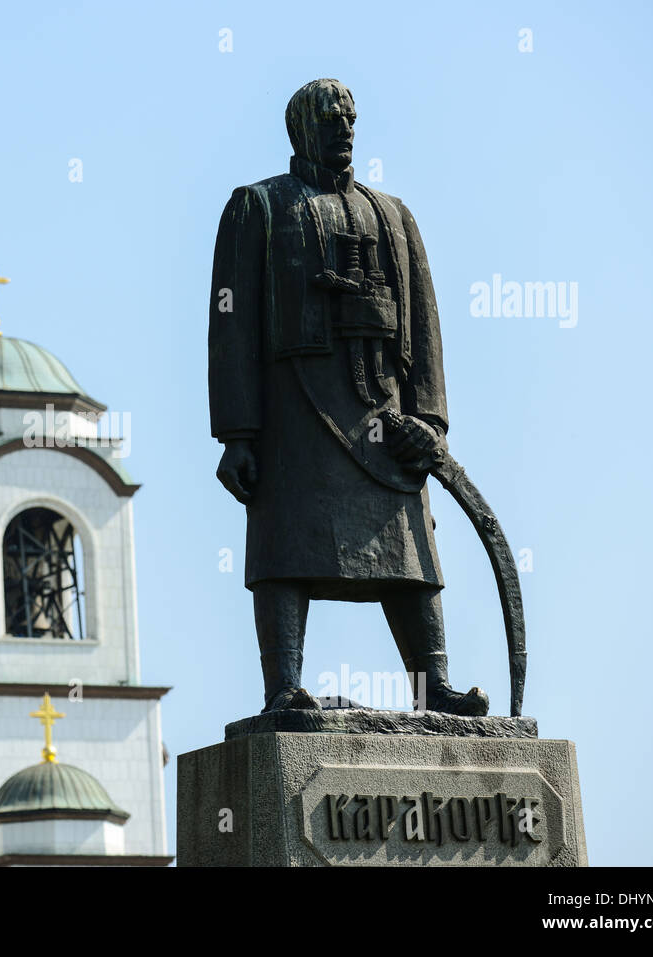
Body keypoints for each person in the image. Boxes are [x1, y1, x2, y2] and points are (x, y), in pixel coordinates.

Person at [208, 78, 488, 716]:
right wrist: (239, 433)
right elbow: (231, 329)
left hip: (385, 415)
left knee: (410, 549)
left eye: (350, 120)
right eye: (330, 120)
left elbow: (424, 326)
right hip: (294, 413)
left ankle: (432, 688)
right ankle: (283, 686)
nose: (343, 130)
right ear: (300, 129)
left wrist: (430, 421)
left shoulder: (393, 215)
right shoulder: (259, 207)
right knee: (286, 545)